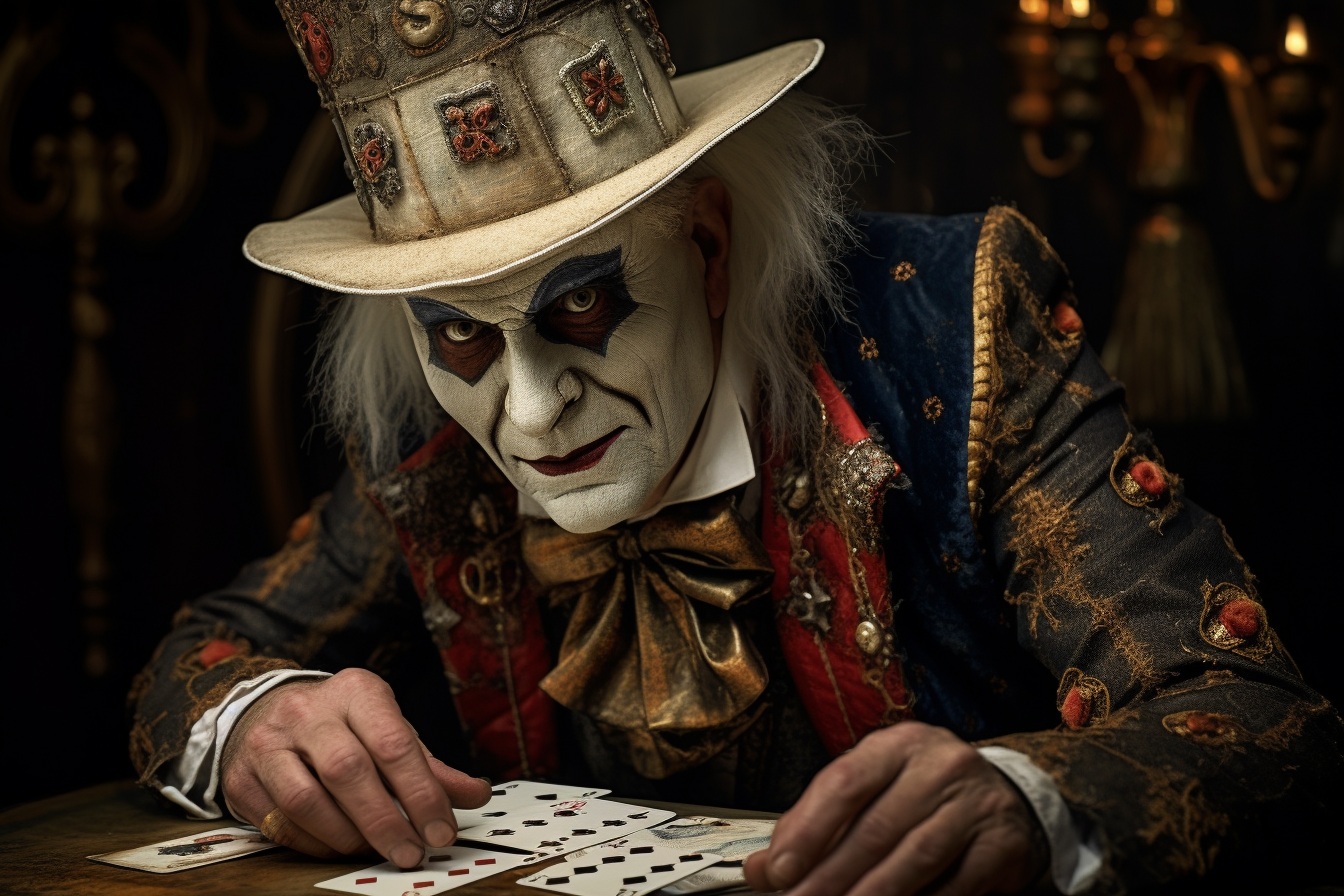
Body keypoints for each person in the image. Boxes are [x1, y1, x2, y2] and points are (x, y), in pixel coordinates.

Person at [127, 1, 1342, 893]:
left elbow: (1250, 708)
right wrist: (256, 720)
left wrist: (1032, 798)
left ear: (707, 242)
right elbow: (209, 648)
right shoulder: (428, 437)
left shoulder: (956, 324)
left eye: (586, 308)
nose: (534, 414)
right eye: (463, 338)